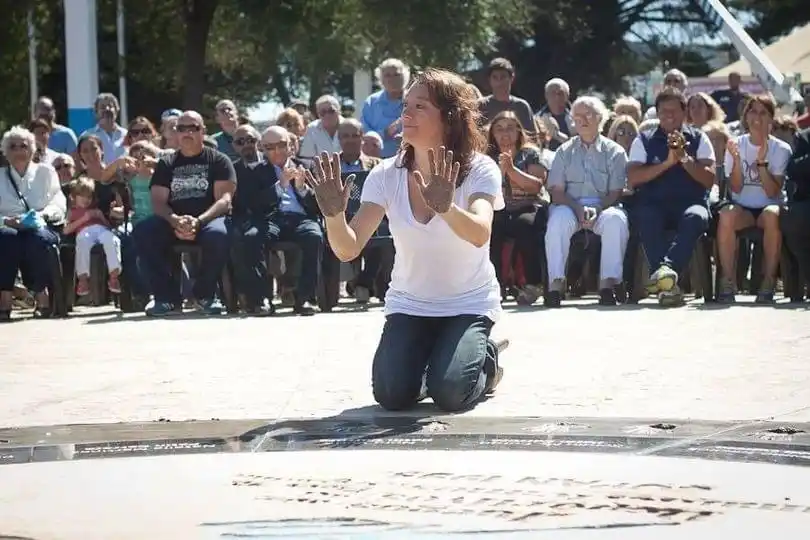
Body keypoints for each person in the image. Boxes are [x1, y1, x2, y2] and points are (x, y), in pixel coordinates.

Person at [305, 68, 504, 413]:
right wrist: (333, 216)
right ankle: (437, 357)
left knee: (452, 395)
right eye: (406, 105)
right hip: (411, 305)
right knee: (391, 395)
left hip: (468, 304)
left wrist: (445, 208)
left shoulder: (480, 168)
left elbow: (479, 233)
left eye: (420, 106)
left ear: (450, 117)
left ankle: (485, 359)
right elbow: (348, 247)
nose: (406, 114)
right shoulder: (385, 174)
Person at [132, 111, 236, 316]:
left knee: (219, 235)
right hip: (174, 220)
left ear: (203, 131)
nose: (187, 133)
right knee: (144, 231)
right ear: (176, 133)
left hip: (208, 219)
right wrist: (174, 220)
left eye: (193, 128)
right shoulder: (166, 163)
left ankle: (205, 295)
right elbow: (158, 202)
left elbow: (224, 200)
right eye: (182, 129)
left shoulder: (219, 160)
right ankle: (165, 298)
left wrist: (199, 221)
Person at [627, 87, 716, 307]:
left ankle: (664, 273)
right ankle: (668, 283)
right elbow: (634, 178)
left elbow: (709, 179)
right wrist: (667, 163)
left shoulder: (699, 138)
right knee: (645, 217)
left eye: (674, 111)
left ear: (684, 113)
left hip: (690, 204)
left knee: (696, 217)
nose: (669, 116)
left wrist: (684, 158)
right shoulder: (644, 140)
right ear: (657, 113)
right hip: (654, 205)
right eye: (664, 111)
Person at [715, 95, 792, 303]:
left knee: (771, 215)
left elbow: (771, 192)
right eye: (753, 111)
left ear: (771, 119)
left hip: (769, 206)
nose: (757, 117)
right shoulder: (735, 145)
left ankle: (768, 281)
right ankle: (728, 280)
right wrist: (738, 160)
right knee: (726, 215)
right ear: (746, 116)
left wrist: (761, 163)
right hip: (744, 207)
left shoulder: (781, 150)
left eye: (763, 112)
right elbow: (736, 187)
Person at [0, 126, 67, 321]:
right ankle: (4, 298)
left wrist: (42, 216)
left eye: (24, 145)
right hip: (7, 227)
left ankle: (41, 296)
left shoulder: (46, 172)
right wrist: (6, 221)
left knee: (35, 238)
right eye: (13, 146)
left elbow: (58, 203)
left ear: (32, 149)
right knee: (6, 238)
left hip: (41, 226)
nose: (19, 150)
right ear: (6, 151)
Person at [63, 176, 122, 296]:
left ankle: (114, 277)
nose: (86, 199)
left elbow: (108, 226)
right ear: (73, 197)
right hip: (84, 231)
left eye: (89, 196)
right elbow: (65, 230)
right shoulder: (72, 211)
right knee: (82, 241)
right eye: (82, 196)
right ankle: (83, 279)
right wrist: (85, 218)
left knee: (112, 240)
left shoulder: (96, 209)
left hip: (101, 230)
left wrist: (100, 216)